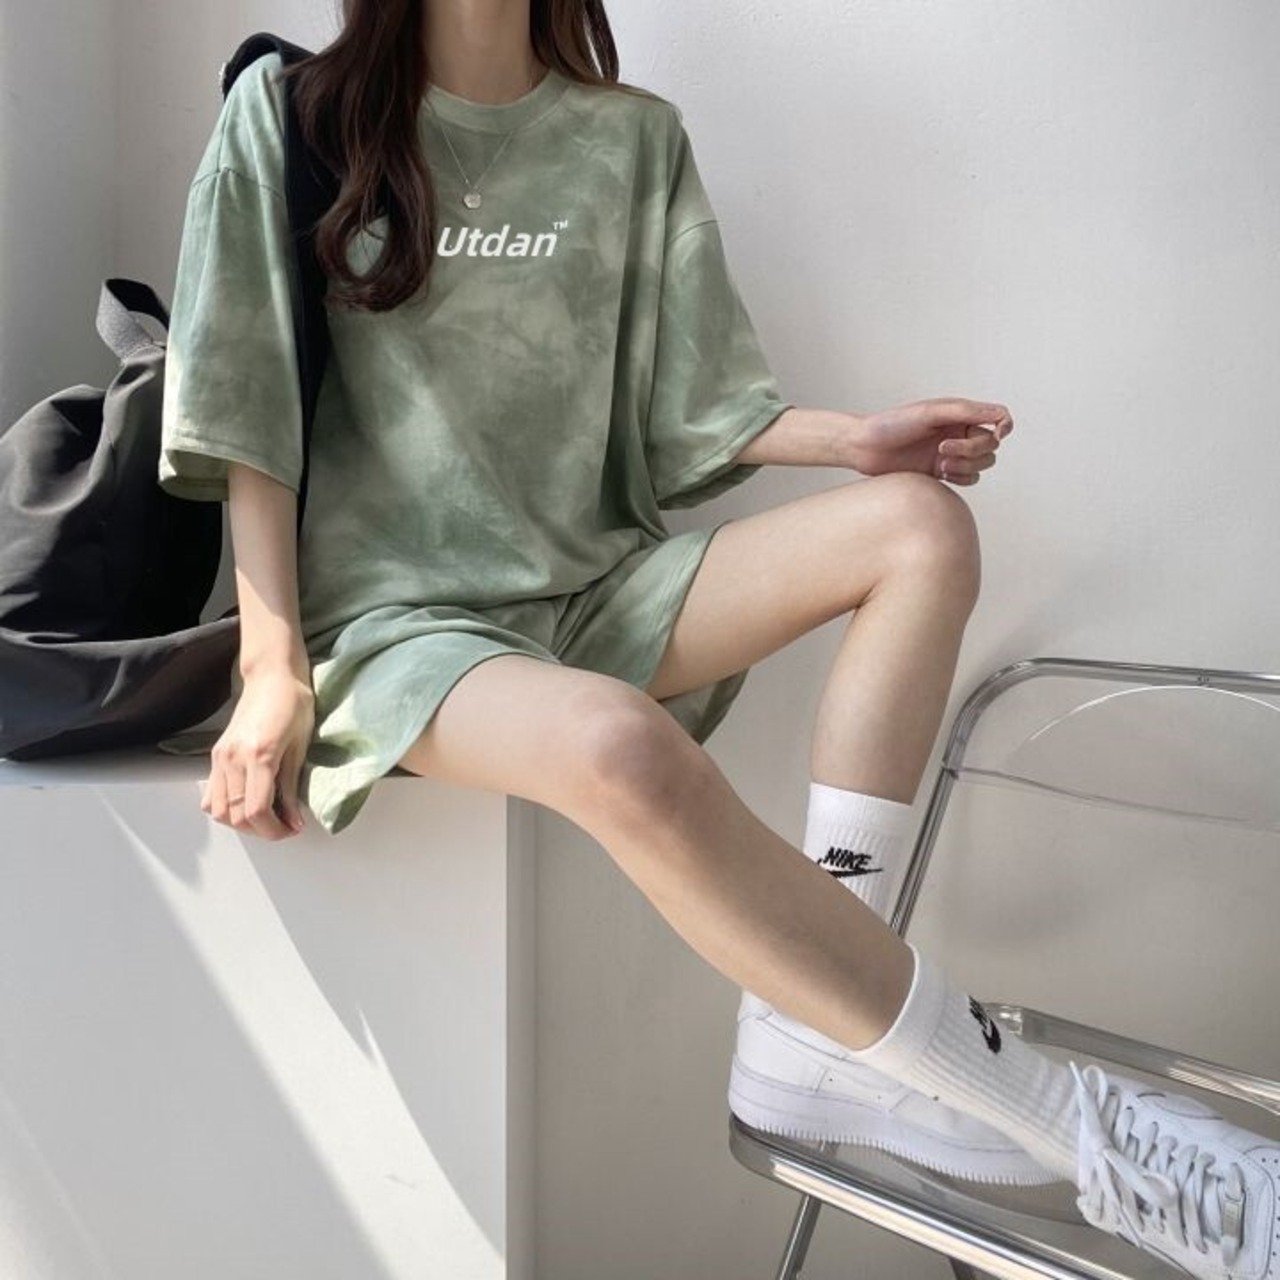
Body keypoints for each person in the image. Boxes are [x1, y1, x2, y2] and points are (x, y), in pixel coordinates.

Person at [158, 3, 1278, 1276]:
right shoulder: (293, 117)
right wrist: (270, 669)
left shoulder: (629, 140)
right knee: (621, 745)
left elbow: (692, 408)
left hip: (590, 590)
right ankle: (1069, 1122)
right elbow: (243, 407)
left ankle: (813, 1035)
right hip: (396, 622)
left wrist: (850, 441)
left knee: (918, 527)